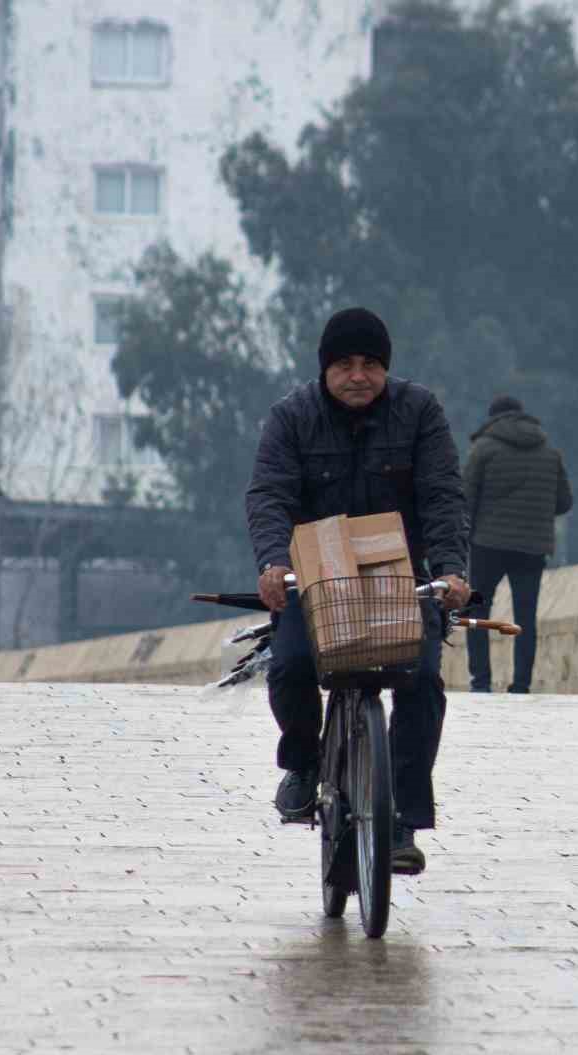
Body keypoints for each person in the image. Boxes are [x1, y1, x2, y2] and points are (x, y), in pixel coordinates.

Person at [245, 307, 470, 876]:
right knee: (292, 666)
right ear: (325, 370)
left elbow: (443, 496)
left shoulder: (419, 412)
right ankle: (303, 765)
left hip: (400, 582)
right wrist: (274, 563)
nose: (358, 375)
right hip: (315, 580)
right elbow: (269, 495)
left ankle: (402, 820)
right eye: (344, 364)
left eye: (370, 364)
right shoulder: (291, 418)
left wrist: (450, 570)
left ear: (385, 369)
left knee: (421, 683)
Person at [463, 395, 572, 694]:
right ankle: (521, 684)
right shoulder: (550, 453)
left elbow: (466, 500)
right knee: (526, 616)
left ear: (493, 418)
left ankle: (481, 681)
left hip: (488, 544)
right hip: (532, 547)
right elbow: (564, 502)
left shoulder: (483, 449)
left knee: (478, 613)